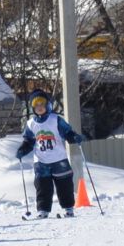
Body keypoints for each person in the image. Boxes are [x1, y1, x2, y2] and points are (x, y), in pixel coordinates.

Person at [14, 88, 86, 218]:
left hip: (59, 159)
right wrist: (22, 149)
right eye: (36, 105)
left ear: (47, 105)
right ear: (32, 108)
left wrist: (74, 137)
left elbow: (68, 133)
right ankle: (43, 210)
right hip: (41, 162)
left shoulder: (55, 120)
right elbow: (29, 141)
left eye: (42, 104)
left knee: (64, 185)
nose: (39, 107)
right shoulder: (31, 124)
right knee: (42, 187)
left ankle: (68, 208)